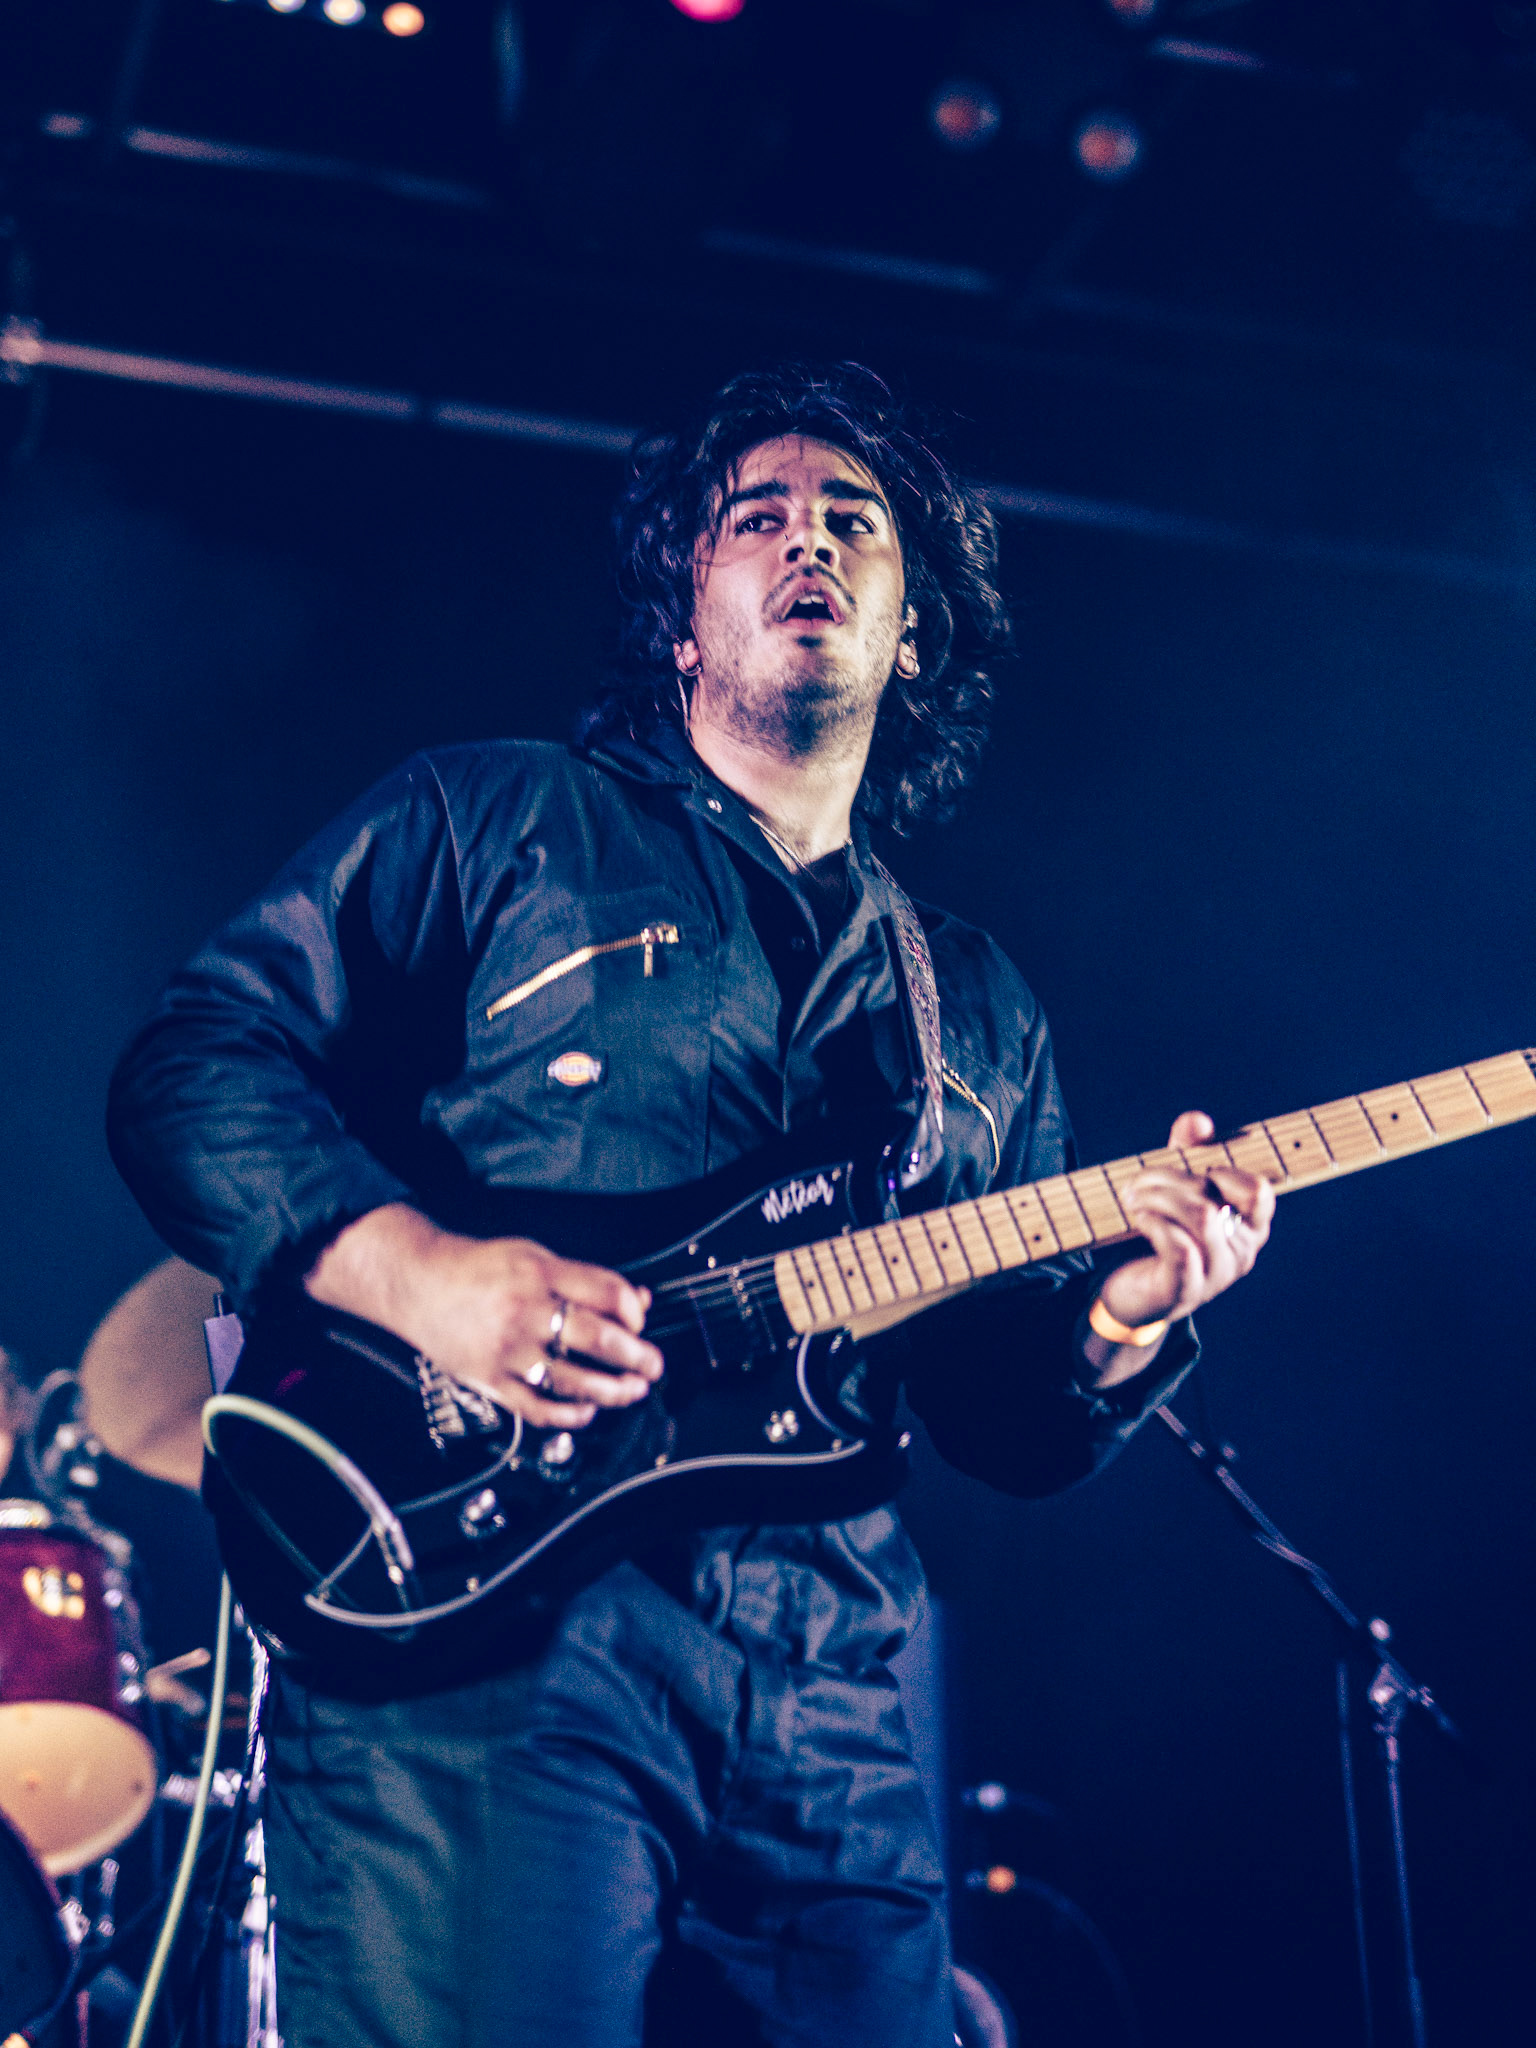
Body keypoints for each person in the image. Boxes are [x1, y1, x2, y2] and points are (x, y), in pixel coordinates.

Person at [106, 362, 1275, 2048]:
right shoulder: (498, 821)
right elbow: (194, 1065)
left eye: (855, 523)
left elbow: (997, 1421)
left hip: (835, 1717)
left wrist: (1122, 1319)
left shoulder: (977, 1008)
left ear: (910, 633)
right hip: (494, 1645)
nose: (812, 541)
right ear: (681, 624)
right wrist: (420, 1273)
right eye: (757, 518)